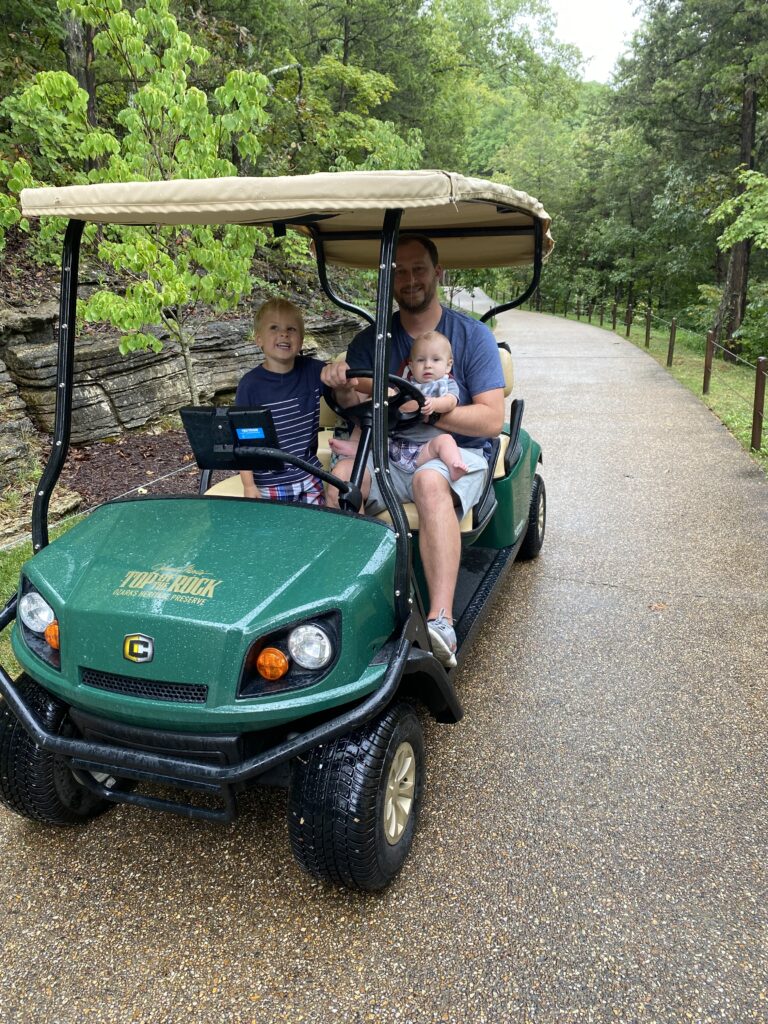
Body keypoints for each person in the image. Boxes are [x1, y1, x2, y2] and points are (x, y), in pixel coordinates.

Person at [323, 235, 505, 667]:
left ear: (438, 273)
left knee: (430, 479)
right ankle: (338, 607)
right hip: (389, 451)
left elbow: (491, 420)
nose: (409, 279)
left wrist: (424, 411)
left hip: (453, 454)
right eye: (398, 271)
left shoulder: (472, 336)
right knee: (341, 482)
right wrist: (344, 390)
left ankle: (442, 621)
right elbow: (355, 404)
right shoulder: (372, 341)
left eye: (418, 269)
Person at [330, 330, 469, 481]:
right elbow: (392, 401)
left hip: (426, 448)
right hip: (394, 444)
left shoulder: (447, 384)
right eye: (421, 360)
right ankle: (356, 445)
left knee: (446, 441)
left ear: (448, 366)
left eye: (435, 360)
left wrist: (435, 404)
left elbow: (451, 402)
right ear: (411, 365)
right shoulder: (405, 385)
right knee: (370, 411)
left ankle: (454, 465)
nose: (428, 365)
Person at [235, 298, 326, 505]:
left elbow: (341, 378)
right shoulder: (250, 386)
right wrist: (248, 485)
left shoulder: (313, 371)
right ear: (259, 339)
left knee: (316, 530)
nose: (284, 334)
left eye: (291, 329)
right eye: (274, 328)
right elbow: (243, 439)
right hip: (269, 482)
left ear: (301, 340)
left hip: (309, 475)